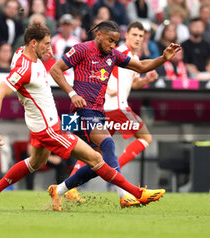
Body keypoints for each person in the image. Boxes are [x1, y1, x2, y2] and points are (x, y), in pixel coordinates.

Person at [0, 23, 165, 211]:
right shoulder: (25, 69)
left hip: (47, 124)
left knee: (35, 163)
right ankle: (134, 193)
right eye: (46, 44)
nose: (49, 49)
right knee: (97, 158)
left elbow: (139, 68)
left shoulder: (23, 55)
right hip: (52, 129)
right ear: (33, 43)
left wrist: (164, 57)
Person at [49, 20, 180, 208]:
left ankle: (59, 190)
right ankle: (129, 194)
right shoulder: (82, 49)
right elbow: (55, 69)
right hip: (80, 111)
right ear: (99, 34)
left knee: (98, 164)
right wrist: (72, 93)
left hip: (97, 112)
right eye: (110, 40)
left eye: (115, 42)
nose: (112, 45)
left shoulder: (113, 55)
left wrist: (163, 58)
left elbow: (141, 66)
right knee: (109, 143)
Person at [66, 21, 159, 207]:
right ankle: (118, 174)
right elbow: (101, 69)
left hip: (105, 109)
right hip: (115, 107)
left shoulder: (131, 55)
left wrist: (145, 81)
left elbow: (132, 84)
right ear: (127, 35)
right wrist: (105, 88)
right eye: (134, 34)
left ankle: (71, 187)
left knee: (96, 152)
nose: (138, 39)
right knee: (145, 136)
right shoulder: (118, 51)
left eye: (141, 36)